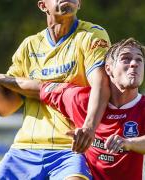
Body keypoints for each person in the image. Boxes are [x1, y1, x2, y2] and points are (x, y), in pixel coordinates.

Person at [0, 0, 111, 179]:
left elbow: (101, 84)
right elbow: (4, 106)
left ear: (79, 4)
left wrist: (89, 126)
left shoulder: (92, 35)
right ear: (43, 6)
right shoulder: (29, 45)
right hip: (23, 151)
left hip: (70, 149)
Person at [38, 38, 145, 180]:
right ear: (108, 68)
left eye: (139, 60)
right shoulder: (82, 100)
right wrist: (4, 80)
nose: (134, 64)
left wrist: (129, 143)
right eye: (125, 59)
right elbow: (39, 87)